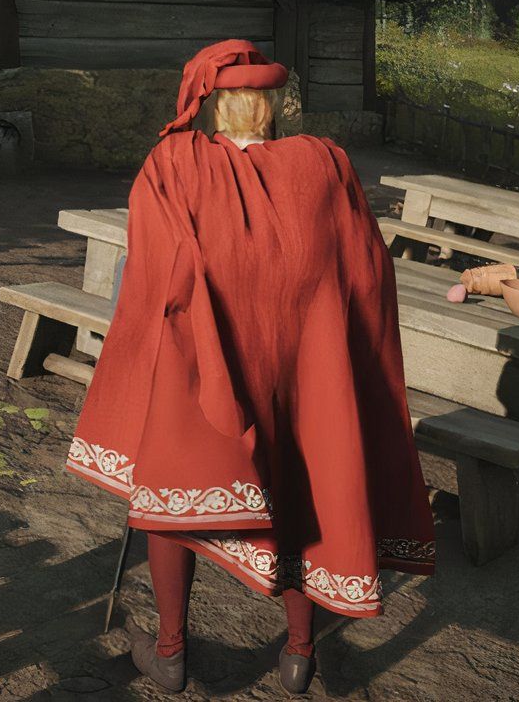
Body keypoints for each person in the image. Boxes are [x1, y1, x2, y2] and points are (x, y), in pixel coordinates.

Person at [65, 39, 435, 695]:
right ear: (274, 104)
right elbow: (368, 274)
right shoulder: (326, 164)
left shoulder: (174, 163)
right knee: (302, 492)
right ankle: (298, 656)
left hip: (199, 372)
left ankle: (171, 653)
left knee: (171, 501)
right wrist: (345, 359)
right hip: (304, 375)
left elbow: (150, 274)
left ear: (213, 105)